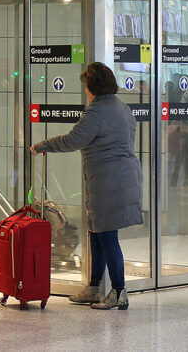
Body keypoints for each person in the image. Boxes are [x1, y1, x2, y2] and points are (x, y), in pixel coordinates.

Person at [29, 62, 143, 311]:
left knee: (107, 235)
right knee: (96, 230)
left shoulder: (97, 112)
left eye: (86, 86)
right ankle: (93, 287)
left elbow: (74, 140)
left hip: (108, 179)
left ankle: (118, 292)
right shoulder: (122, 108)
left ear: (91, 86)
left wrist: (42, 145)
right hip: (120, 176)